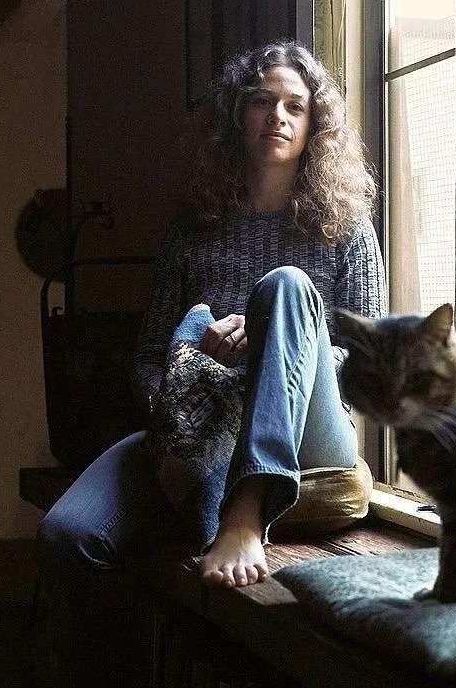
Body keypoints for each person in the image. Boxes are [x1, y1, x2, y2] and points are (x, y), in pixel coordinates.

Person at [36, 40, 386, 591]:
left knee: (285, 288)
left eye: (295, 106)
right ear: (235, 115)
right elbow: (150, 358)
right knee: (68, 534)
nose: (277, 116)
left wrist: (280, 343)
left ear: (315, 124)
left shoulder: (346, 229)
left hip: (312, 436)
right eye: (260, 101)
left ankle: (245, 508)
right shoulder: (193, 230)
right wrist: (190, 373)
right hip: (201, 427)